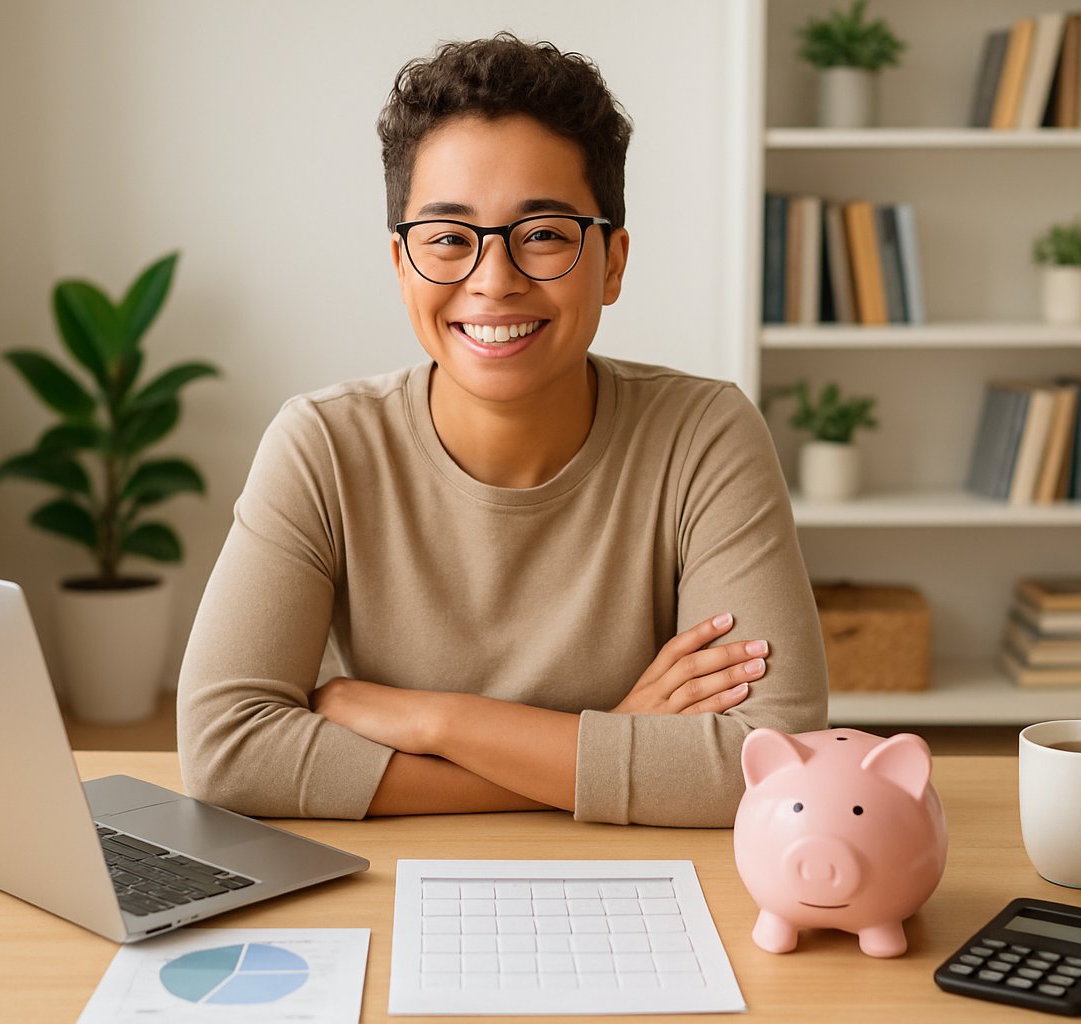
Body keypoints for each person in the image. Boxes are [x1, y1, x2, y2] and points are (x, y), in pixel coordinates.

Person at [177, 33, 826, 827]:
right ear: (401, 266)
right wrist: (615, 742)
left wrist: (435, 723)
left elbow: (772, 757)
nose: (494, 281)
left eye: (545, 234)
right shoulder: (323, 445)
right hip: (400, 885)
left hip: (645, 886)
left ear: (612, 263)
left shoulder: (705, 435)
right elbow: (226, 749)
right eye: (449, 239)